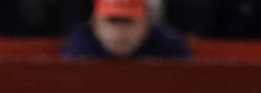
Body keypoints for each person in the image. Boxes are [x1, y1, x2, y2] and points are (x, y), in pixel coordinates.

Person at [63, 0, 192, 59]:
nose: (120, 32)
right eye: (112, 21)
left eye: (128, 21)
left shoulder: (171, 48)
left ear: (146, 24)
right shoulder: (79, 49)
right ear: (95, 25)